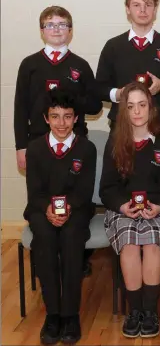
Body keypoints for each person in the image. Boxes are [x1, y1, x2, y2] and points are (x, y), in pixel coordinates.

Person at [14, 5, 102, 276]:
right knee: (43, 204)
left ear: (70, 30)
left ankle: (78, 258)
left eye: (62, 24)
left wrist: (72, 95)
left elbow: (96, 106)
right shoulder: (29, 64)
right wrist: (21, 146)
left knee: (75, 202)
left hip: (73, 145)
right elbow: (20, 108)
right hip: (39, 146)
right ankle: (46, 258)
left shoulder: (80, 66)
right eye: (50, 25)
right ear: (42, 31)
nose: (56, 29)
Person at [99, 81, 160, 338]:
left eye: (142, 105)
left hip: (158, 210)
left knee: (152, 241)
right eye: (130, 106)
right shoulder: (115, 141)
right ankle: (135, 311)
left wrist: (159, 207)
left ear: (151, 107)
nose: (136, 112)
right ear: (123, 110)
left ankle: (150, 310)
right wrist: (123, 206)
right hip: (124, 211)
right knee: (131, 243)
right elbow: (107, 189)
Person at [24, 89, 97, 344]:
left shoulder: (86, 148)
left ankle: (70, 315)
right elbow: (34, 191)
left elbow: (84, 191)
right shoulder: (34, 149)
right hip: (41, 208)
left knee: (70, 239)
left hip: (75, 210)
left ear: (76, 118)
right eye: (55, 117)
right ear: (46, 119)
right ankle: (52, 314)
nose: (62, 123)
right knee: (43, 239)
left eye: (67, 117)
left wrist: (66, 210)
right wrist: (47, 209)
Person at [96, 0, 160, 132]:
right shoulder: (113, 46)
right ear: (128, 9)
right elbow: (99, 88)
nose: (142, 10)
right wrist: (119, 94)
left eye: (148, 5)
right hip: (121, 125)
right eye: (136, 5)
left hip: (157, 124)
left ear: (155, 9)